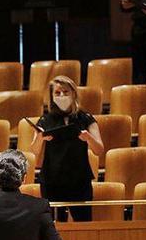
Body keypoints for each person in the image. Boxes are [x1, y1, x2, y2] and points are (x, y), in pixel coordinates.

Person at [31, 76, 104, 222]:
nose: (62, 96)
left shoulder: (85, 118)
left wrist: (88, 138)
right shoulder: (45, 120)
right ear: (52, 97)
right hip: (52, 181)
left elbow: (99, 150)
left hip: (79, 180)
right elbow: (34, 151)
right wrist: (40, 138)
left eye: (66, 92)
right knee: (53, 229)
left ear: (73, 94)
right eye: (57, 93)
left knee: (83, 225)